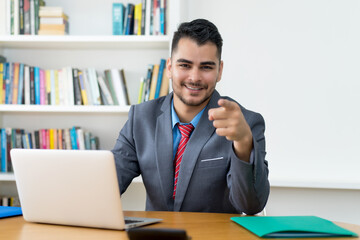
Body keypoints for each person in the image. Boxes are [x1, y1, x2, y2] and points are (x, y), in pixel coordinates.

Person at [112, 19, 269, 214]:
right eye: (185, 65)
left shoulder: (245, 123)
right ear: (169, 67)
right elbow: (108, 185)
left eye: (206, 67)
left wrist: (244, 143)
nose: (194, 77)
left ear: (220, 71)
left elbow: (251, 205)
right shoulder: (140, 118)